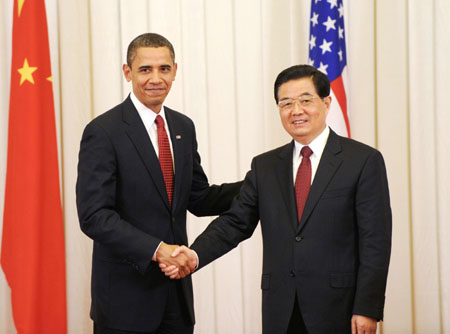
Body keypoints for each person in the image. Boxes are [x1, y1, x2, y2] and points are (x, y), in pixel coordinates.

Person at [163, 65, 392, 334]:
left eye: (306, 100)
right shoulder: (266, 166)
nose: (296, 110)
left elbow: (375, 241)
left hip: (339, 307)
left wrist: (367, 308)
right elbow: (235, 223)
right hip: (281, 309)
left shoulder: (363, 161)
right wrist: (194, 254)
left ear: (327, 103)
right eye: (286, 103)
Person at [76, 33, 242, 334]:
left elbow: (199, 198)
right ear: (127, 72)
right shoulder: (103, 131)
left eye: (164, 69)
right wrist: (156, 249)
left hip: (176, 302)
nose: (156, 78)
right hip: (125, 304)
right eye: (145, 69)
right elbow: (94, 216)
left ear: (175, 71)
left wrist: (260, 182)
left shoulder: (182, 127)